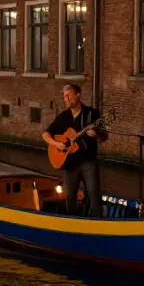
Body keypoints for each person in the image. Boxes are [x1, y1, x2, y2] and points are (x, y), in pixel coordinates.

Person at [41, 83, 108, 216]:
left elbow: (104, 137)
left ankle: (99, 224)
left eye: (69, 95)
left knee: (94, 194)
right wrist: (56, 144)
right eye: (64, 96)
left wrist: (96, 134)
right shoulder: (63, 116)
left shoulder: (91, 113)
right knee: (70, 196)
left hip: (88, 160)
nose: (66, 99)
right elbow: (45, 135)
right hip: (69, 164)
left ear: (78, 94)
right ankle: (72, 223)